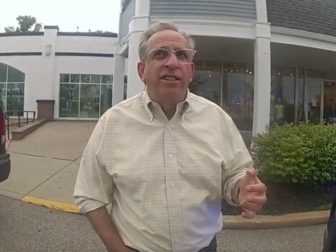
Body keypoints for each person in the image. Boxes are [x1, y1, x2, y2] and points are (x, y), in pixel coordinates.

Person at [74, 22, 267, 252]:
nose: (172, 63)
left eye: (182, 55)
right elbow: (89, 195)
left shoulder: (217, 119)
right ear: (142, 71)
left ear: (191, 71)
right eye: (160, 54)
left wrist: (241, 190)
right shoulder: (112, 123)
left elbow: (235, 176)